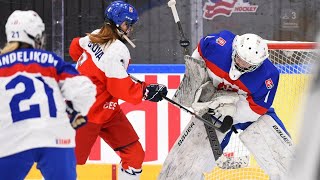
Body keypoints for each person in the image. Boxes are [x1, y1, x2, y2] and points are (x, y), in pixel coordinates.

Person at [159, 30, 294, 180]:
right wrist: (195, 76)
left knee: (287, 162)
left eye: (248, 64)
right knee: (180, 169)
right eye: (240, 58)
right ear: (235, 48)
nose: (242, 64)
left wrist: (230, 109)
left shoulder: (268, 75)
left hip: (249, 112)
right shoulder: (218, 46)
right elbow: (200, 51)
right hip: (213, 109)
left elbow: (256, 110)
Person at [69, 1, 168, 180]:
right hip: (84, 114)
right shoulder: (117, 49)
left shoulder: (96, 35)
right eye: (127, 24)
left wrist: (96, 72)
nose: (129, 29)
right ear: (118, 24)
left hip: (108, 111)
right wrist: (146, 91)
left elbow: (74, 48)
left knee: (135, 155)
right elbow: (120, 87)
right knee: (66, 161)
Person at [0, 10, 96, 180]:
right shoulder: (50, 60)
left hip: (12, 138)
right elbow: (85, 89)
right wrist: (75, 112)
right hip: (55, 135)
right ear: (36, 36)